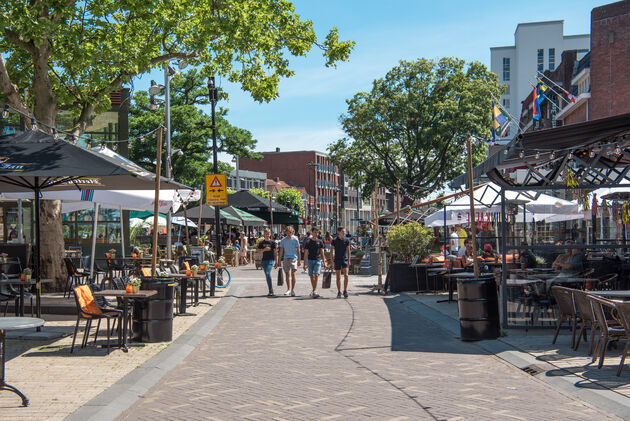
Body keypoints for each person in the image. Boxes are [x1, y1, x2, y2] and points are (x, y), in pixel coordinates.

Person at [303, 227, 327, 298]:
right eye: (315, 232)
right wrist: (304, 263)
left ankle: (315, 290)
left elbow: (322, 252)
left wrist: (324, 262)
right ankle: (314, 290)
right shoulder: (308, 242)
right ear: (312, 232)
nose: (316, 234)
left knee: (316, 275)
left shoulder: (320, 241)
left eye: (317, 233)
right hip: (310, 260)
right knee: (311, 276)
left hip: (318, 260)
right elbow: (306, 253)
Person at [277, 226, 301, 296]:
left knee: (293, 273)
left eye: (290, 233)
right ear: (286, 233)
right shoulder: (283, 240)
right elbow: (281, 251)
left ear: (292, 232)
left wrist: (299, 260)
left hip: (293, 258)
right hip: (286, 258)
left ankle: (292, 290)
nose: (289, 234)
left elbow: (298, 250)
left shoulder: (295, 240)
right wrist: (279, 261)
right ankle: (288, 289)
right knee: (287, 274)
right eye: (287, 233)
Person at [332, 226, 351, 298]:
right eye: (343, 231)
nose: (344, 233)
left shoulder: (347, 240)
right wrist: (331, 260)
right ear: (339, 232)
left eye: (344, 232)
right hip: (337, 260)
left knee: (346, 275)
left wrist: (349, 260)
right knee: (338, 277)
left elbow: (349, 251)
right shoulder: (334, 240)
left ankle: (345, 290)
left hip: (345, 259)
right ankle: (339, 291)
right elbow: (331, 250)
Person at [257, 228, 277, 296]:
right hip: (264, 261)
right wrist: (264, 249)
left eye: (268, 234)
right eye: (266, 234)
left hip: (271, 260)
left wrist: (276, 261)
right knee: (267, 276)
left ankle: (271, 290)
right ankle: (270, 290)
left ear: (270, 234)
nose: (267, 235)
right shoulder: (261, 243)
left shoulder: (272, 242)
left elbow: (275, 252)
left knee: (268, 273)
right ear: (264, 235)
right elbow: (258, 252)